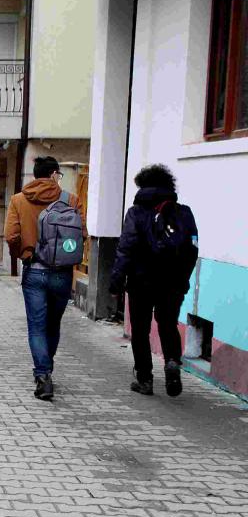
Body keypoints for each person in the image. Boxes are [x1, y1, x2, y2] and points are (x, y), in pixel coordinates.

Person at [109, 164, 199, 397]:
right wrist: (183, 280)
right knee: (168, 324)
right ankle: (172, 362)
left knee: (140, 330)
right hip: (172, 283)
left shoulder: (136, 213)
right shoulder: (184, 213)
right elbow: (192, 250)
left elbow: (125, 249)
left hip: (140, 282)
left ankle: (145, 379)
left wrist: (116, 281)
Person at [4, 156, 82, 401]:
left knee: (37, 326)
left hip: (34, 270)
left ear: (35, 174)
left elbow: (11, 236)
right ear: (54, 174)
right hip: (62, 273)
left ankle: (43, 374)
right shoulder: (71, 200)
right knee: (53, 324)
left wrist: (23, 254)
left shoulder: (19, 200)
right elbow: (82, 234)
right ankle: (47, 366)